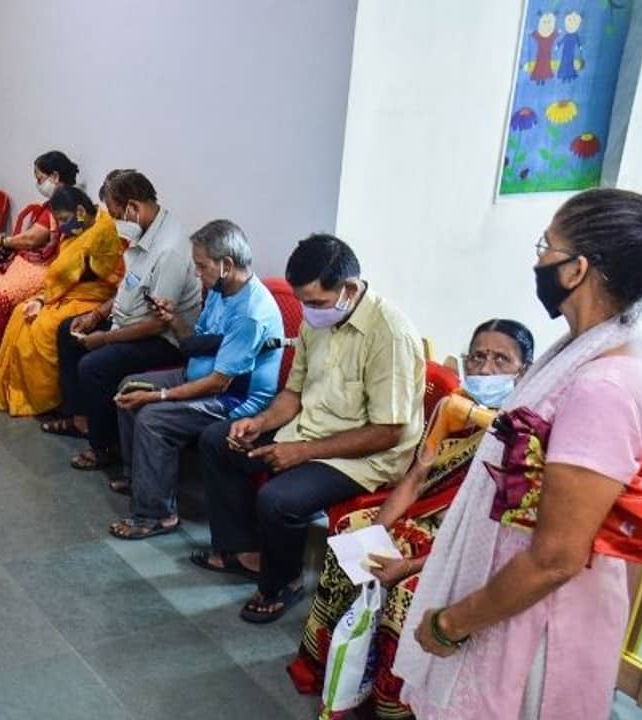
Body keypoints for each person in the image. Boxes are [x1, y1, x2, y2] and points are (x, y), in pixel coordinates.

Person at [395, 189, 642, 719]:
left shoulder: (603, 387)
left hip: (538, 618)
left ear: (576, 269)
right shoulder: (577, 353)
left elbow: (556, 557)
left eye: (546, 247)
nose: (539, 261)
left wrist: (451, 623)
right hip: (512, 594)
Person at [290, 319, 535, 720]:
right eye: (478, 357)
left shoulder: (525, 436)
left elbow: (492, 532)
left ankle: (391, 704)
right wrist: (376, 531)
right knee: (351, 534)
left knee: (408, 591)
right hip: (424, 520)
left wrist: (409, 565)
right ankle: (334, 671)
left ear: (524, 371)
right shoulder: (453, 408)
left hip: (471, 542)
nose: (486, 369)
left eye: (500, 360)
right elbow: (416, 478)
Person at [191, 233, 425, 624]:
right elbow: (294, 394)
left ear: (350, 289)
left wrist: (301, 452)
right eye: (303, 302)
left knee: (279, 499)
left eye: (316, 302)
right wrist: (259, 423)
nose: (309, 312)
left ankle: (283, 582)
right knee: (219, 440)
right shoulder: (317, 320)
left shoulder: (390, 334)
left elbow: (388, 432)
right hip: (310, 429)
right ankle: (244, 552)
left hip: (365, 456)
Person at [109, 220, 285, 539]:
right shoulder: (221, 290)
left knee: (153, 418)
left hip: (232, 399)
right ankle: (141, 481)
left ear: (226, 264)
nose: (197, 273)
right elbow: (194, 341)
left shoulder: (250, 313)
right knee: (129, 386)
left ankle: (158, 514)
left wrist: (160, 397)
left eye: (201, 266)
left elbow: (219, 383)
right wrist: (173, 319)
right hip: (197, 374)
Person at [46, 170, 203, 471]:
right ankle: (81, 419)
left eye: (117, 215)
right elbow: (129, 286)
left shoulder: (169, 250)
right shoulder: (144, 232)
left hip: (162, 339)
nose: (116, 222)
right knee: (68, 330)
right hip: (129, 321)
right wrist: (97, 315)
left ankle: (104, 447)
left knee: (94, 365)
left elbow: (159, 323)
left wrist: (105, 338)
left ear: (133, 207)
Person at [0, 186, 124, 416]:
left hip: (94, 298)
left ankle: (47, 399)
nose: (61, 226)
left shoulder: (102, 233)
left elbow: (116, 281)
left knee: (42, 328)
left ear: (80, 211)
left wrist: (46, 301)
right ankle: (16, 389)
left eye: (63, 219)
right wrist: (41, 300)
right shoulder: (78, 231)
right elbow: (60, 277)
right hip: (67, 293)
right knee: (21, 313)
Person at [0, 151, 78, 375]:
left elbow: (32, 239)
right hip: (32, 260)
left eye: (39, 178)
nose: (38, 184)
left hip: (47, 268)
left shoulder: (66, 205)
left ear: (55, 176)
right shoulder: (54, 204)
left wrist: (2, 240)